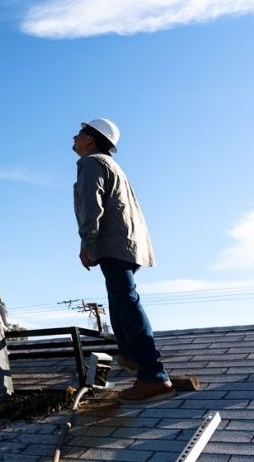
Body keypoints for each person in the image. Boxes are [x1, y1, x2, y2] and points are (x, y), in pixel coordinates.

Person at [73, 118, 174, 403]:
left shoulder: (92, 162)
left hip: (114, 244)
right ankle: (130, 355)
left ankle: (154, 375)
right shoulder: (109, 164)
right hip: (127, 244)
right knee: (118, 300)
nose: (75, 137)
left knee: (126, 302)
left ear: (90, 140)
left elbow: (92, 206)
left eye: (80, 134)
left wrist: (86, 244)